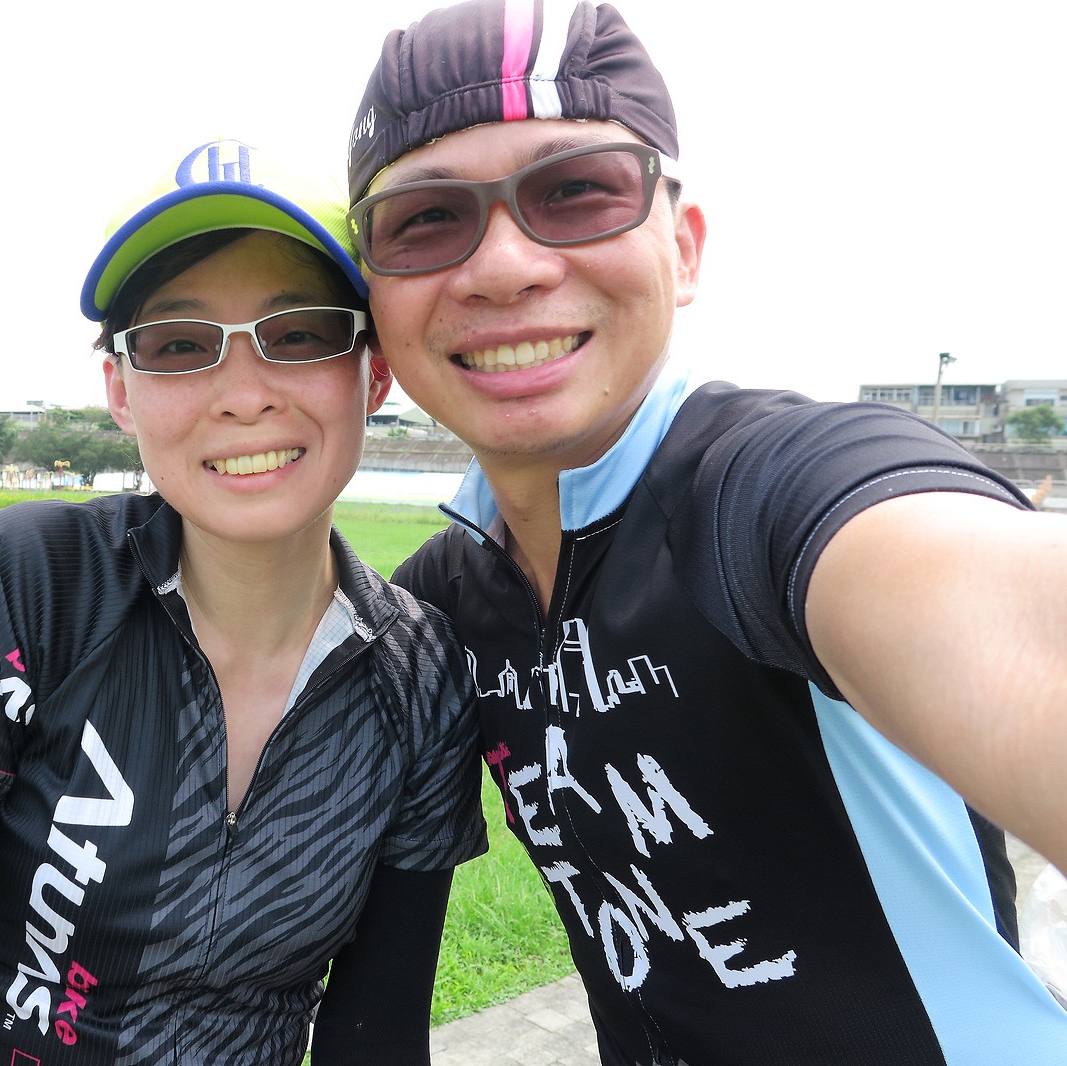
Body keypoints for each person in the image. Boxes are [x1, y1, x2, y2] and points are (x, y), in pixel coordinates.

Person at [335, 0, 1067, 1062]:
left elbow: (1005, 619)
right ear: (377, 305)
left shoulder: (772, 495)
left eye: (575, 191)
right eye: (426, 219)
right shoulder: (443, 601)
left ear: (681, 249)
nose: (502, 266)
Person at [0, 139, 488, 1065]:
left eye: (299, 333)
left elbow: (375, 1034)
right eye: (178, 345)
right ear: (119, 389)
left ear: (372, 372)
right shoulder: (39, 579)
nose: (243, 396)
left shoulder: (422, 676)